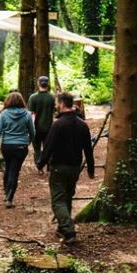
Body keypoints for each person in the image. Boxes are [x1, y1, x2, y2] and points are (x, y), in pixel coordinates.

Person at [37, 91, 94, 244]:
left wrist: (41, 164)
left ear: (62, 104)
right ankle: (62, 228)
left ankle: (69, 231)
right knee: (67, 197)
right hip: (75, 167)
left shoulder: (58, 125)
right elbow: (88, 148)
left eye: (57, 103)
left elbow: (48, 147)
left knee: (57, 201)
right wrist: (90, 168)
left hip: (59, 167)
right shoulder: (82, 125)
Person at [0, 91, 36, 208]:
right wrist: (29, 142)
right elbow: (32, 132)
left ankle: (6, 192)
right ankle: (9, 198)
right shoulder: (27, 115)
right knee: (14, 171)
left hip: (7, 146)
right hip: (21, 147)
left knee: (8, 168)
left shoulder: (4, 114)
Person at [27, 75, 56, 170]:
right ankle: (49, 167)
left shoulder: (33, 97)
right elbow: (55, 111)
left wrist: (29, 129)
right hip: (49, 127)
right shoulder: (52, 97)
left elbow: (30, 114)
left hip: (36, 128)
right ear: (48, 84)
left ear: (38, 84)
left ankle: (39, 168)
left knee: (37, 149)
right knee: (48, 148)